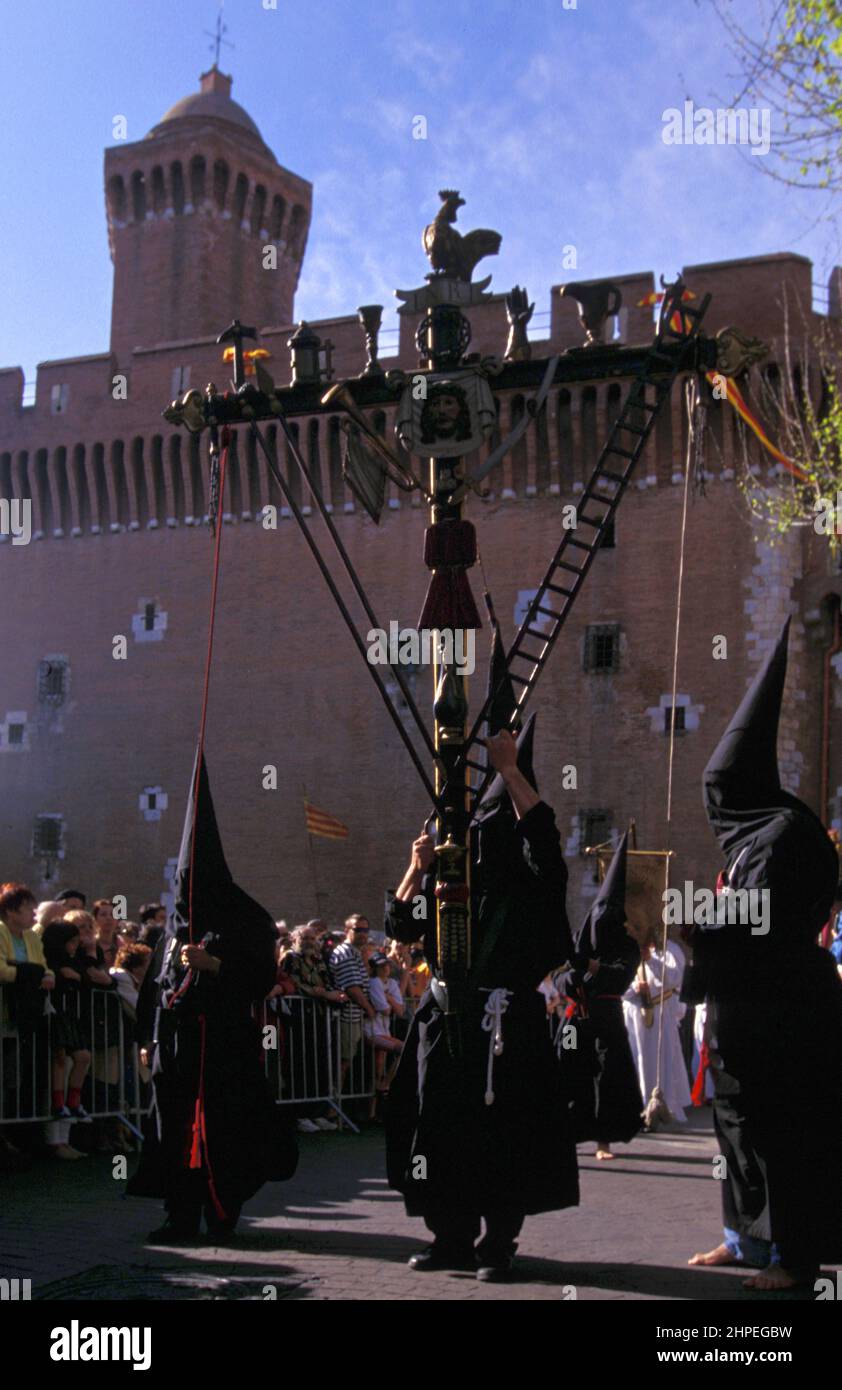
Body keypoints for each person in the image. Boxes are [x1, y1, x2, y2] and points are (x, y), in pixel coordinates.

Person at [385, 715, 578, 1282]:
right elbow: (399, 923)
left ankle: (497, 1243)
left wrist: (510, 772)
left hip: (504, 1024)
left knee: (505, 1133)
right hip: (444, 1022)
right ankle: (450, 1237)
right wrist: (416, 868)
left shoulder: (530, 884)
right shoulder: (448, 878)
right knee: (439, 1128)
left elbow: (544, 839)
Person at [685, 618, 842, 1290]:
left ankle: (792, 1260)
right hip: (750, 1008)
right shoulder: (761, 834)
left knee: (784, 1133)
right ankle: (743, 1238)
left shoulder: (779, 836)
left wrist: (697, 922)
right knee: (739, 1132)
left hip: (782, 1007)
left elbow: (762, 920)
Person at [127, 752, 297, 1241]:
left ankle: (221, 1212)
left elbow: (260, 977)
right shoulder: (169, 937)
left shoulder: (243, 926)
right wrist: (147, 1039)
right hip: (176, 1059)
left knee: (225, 1135)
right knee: (174, 1135)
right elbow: (152, 993)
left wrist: (216, 966)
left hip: (224, 1055)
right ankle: (178, 1216)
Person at [554, 832, 642, 1160]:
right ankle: (566, 1134)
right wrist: (571, 976)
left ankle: (604, 1140)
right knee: (568, 1069)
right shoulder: (580, 938)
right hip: (577, 1019)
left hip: (607, 1021)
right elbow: (558, 975)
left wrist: (589, 965)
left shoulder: (628, 947)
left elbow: (618, 976)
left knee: (607, 1076)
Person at [622, 925, 691, 1125]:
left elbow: (675, 978)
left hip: (659, 1013)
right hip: (633, 1014)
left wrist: (651, 961)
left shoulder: (670, 950)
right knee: (636, 1060)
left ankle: (663, 1104)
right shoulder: (628, 949)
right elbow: (617, 983)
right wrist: (634, 987)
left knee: (660, 1062)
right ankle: (636, 1105)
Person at [41, 920, 93, 1123]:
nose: (74, 946)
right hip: (54, 1014)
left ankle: (73, 1101)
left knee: (83, 1056)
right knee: (60, 1058)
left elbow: (87, 979)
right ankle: (58, 1103)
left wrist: (77, 976)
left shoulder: (74, 961)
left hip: (69, 1016)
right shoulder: (50, 961)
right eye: (71, 942)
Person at [329, 915, 376, 1091]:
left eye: (366, 930)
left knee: (348, 1063)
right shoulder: (345, 952)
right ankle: (331, 1111)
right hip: (346, 1017)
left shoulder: (356, 952)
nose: (363, 934)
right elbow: (353, 988)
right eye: (358, 930)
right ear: (347, 931)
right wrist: (369, 1009)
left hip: (355, 1017)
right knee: (342, 1062)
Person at [365, 952, 403, 1117]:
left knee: (379, 1069)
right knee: (403, 1048)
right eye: (381, 966)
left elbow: (400, 1011)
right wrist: (390, 1002)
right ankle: (384, 1087)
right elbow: (386, 1010)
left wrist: (388, 997)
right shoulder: (373, 983)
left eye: (386, 965)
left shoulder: (392, 983)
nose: (385, 968)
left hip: (384, 1031)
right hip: (372, 1031)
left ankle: (373, 1113)